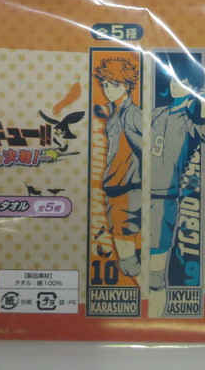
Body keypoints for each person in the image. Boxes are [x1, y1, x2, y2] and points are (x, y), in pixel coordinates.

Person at [147, 53, 205, 318]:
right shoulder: (156, 113)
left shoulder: (191, 122)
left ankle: (155, 324)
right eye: (173, 79)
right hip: (135, 194)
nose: (174, 85)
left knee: (155, 274)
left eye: (182, 82)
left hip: (164, 200)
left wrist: (201, 102)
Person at [93, 56, 143, 279]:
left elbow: (152, 150)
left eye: (115, 84)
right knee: (127, 256)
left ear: (127, 85)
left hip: (128, 188)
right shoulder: (115, 113)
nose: (108, 89)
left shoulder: (133, 114)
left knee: (128, 259)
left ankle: (151, 295)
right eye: (105, 84)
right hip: (116, 187)